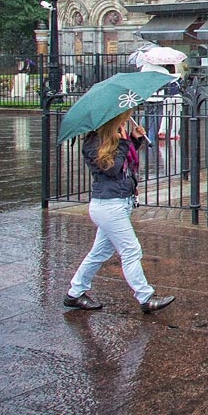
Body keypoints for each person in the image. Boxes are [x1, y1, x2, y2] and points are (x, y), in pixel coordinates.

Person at [64, 111, 175, 314]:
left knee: (100, 253)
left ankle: (75, 293)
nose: (124, 122)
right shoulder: (93, 143)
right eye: (122, 119)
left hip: (120, 202)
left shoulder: (112, 138)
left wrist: (134, 139)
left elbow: (124, 164)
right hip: (108, 205)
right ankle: (145, 297)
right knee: (131, 250)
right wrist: (124, 141)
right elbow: (112, 169)